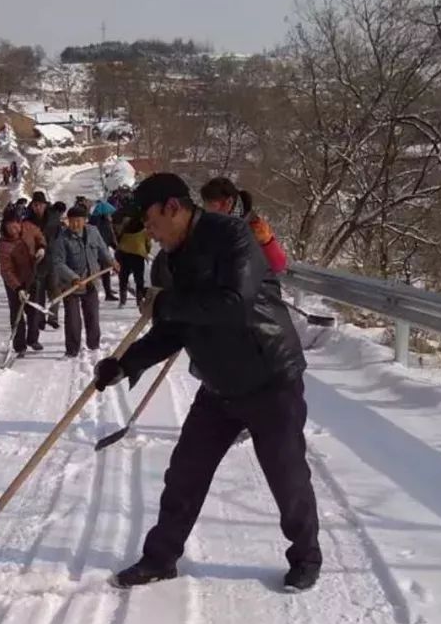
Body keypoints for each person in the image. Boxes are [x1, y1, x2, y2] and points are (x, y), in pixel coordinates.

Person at [92, 173, 321, 592]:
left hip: (270, 377)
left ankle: (306, 556)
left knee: (286, 477)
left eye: (152, 220)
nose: (151, 232)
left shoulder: (232, 236)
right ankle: (160, 558)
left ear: (173, 207)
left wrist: (166, 302)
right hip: (219, 385)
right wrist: (124, 364)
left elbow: (234, 305)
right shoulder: (174, 256)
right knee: (185, 474)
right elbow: (176, 327)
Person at [51, 204, 117, 357]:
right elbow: (58, 262)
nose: (75, 224)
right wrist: (73, 277)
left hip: (91, 282)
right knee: (73, 320)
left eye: (78, 220)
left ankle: (94, 346)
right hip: (71, 285)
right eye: (71, 221)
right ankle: (72, 350)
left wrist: (111, 262)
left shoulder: (93, 232)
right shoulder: (62, 238)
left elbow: (102, 250)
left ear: (85, 220)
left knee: (92, 316)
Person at [200, 177, 288, 274]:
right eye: (205, 204)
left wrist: (265, 242)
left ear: (228, 202)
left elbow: (278, 265)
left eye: (212, 205)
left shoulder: (256, 228)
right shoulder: (213, 221)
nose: (207, 209)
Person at [0, 208, 47, 356]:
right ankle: (19, 346)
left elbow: (40, 236)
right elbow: (6, 270)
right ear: (5, 226)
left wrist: (41, 247)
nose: (15, 228)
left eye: (16, 224)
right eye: (10, 226)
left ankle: (33, 339)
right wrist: (18, 288)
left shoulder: (29, 228)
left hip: (32, 276)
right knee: (16, 312)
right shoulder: (4, 245)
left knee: (34, 311)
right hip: (14, 282)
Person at [26, 194, 64, 330]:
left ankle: (53, 317)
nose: (37, 208)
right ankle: (40, 319)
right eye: (35, 205)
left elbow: (60, 238)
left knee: (55, 290)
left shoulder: (54, 219)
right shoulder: (28, 220)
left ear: (45, 205)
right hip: (36, 260)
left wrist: (60, 255)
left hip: (53, 258)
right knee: (38, 291)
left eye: (40, 205)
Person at [113, 205, 150, 308]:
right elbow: (148, 243)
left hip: (124, 255)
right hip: (138, 256)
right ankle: (139, 300)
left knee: (123, 278)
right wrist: (146, 251)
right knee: (139, 279)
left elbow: (119, 240)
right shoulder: (144, 229)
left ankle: (122, 301)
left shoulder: (124, 228)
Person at [89, 198, 119, 301]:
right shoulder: (105, 224)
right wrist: (116, 248)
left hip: (92, 251)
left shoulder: (92, 222)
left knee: (93, 273)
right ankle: (107, 293)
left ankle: (94, 293)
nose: (110, 216)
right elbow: (110, 238)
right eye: (109, 214)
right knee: (104, 274)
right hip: (101, 251)